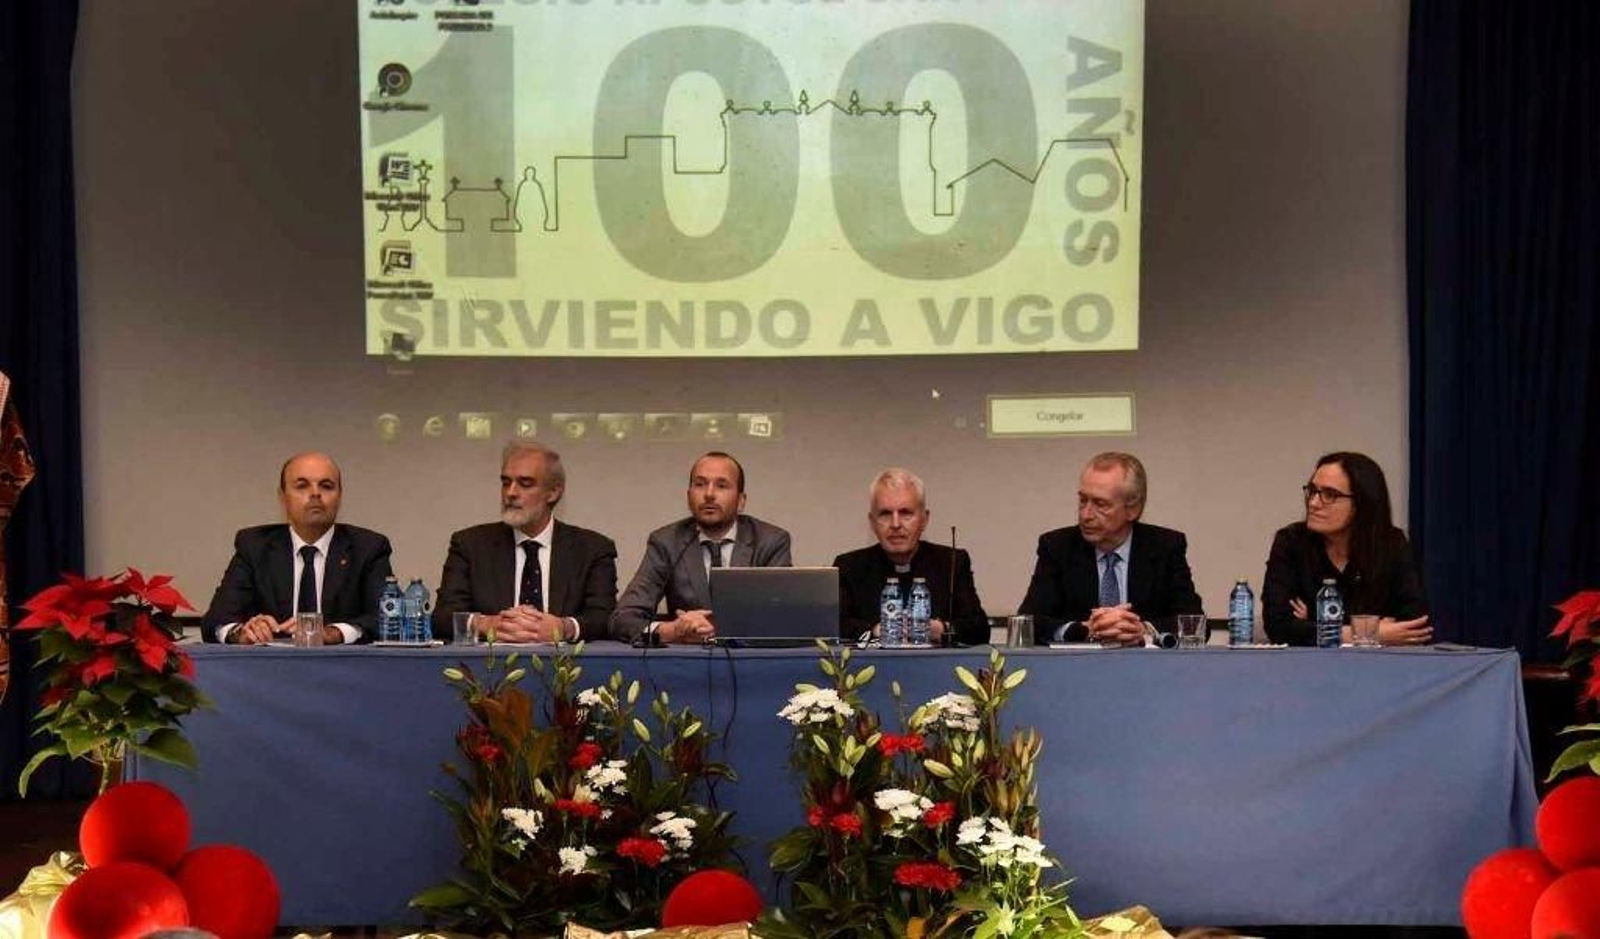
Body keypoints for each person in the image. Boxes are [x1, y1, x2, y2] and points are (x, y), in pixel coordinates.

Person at [433, 441, 618, 643]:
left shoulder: (593, 549)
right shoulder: (469, 545)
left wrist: (563, 628)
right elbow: (442, 617)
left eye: (525, 484)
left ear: (553, 492)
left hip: (564, 662)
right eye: (506, 483)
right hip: (489, 661)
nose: (510, 493)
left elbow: (604, 618)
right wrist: (485, 624)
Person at [202, 452, 394, 644]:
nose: (315, 493)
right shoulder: (254, 547)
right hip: (272, 662)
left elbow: (386, 618)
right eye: (302, 486)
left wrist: (334, 633)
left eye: (326, 486)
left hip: (342, 662)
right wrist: (241, 633)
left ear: (339, 496)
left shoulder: (368, 548)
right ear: (282, 497)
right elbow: (216, 622)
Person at [1021, 451, 1202, 646]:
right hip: (1076, 663)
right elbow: (1028, 622)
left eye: (1100, 504)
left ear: (1133, 509)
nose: (1086, 515)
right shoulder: (1057, 547)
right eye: (1083, 500)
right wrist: (1084, 629)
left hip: (1147, 664)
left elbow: (1196, 623)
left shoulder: (1165, 547)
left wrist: (1143, 630)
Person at [611, 452, 791, 644]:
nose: (709, 494)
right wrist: (671, 631)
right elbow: (622, 618)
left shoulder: (770, 541)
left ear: (741, 501)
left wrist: (717, 629)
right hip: (688, 658)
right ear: (689, 496)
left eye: (721, 486)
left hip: (749, 658)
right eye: (700, 484)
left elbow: (784, 619)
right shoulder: (667, 542)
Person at [1262, 451, 1429, 646]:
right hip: (1307, 663)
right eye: (1312, 491)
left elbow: (1414, 626)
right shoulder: (1291, 542)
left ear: (1362, 504)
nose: (1313, 503)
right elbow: (1279, 627)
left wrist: (1314, 625)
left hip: (1379, 663)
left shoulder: (1392, 544)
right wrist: (1371, 633)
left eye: (1329, 495)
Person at [833, 468, 989, 646]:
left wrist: (941, 629)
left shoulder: (952, 562)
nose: (895, 524)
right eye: (885, 514)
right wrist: (877, 630)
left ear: (924, 520)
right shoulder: (849, 567)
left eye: (905, 513)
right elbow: (833, 627)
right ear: (872, 522)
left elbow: (979, 629)